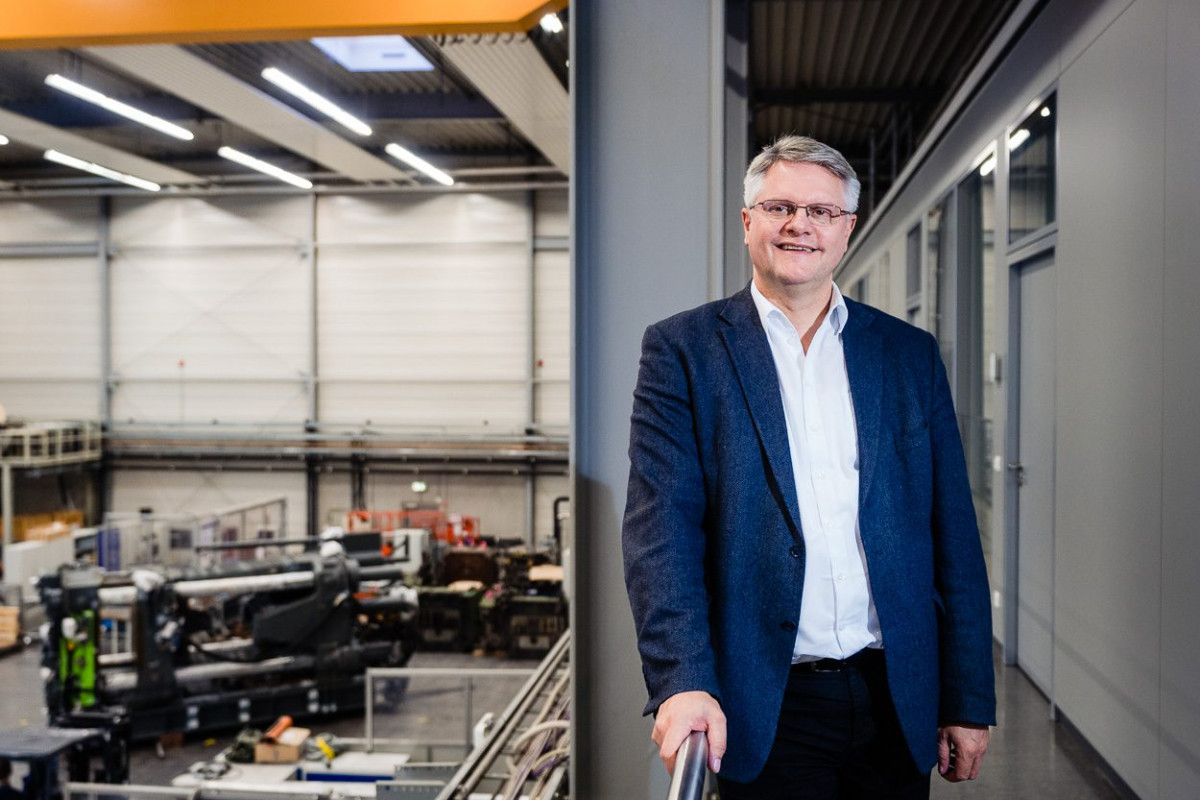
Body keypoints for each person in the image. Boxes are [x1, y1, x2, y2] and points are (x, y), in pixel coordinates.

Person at [622, 134, 996, 799]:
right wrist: (684, 681)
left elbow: (953, 533)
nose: (800, 225)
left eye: (822, 212)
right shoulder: (683, 350)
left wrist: (967, 698)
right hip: (766, 698)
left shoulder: (906, 353)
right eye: (779, 207)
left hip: (894, 693)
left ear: (847, 228)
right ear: (748, 222)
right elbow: (661, 535)